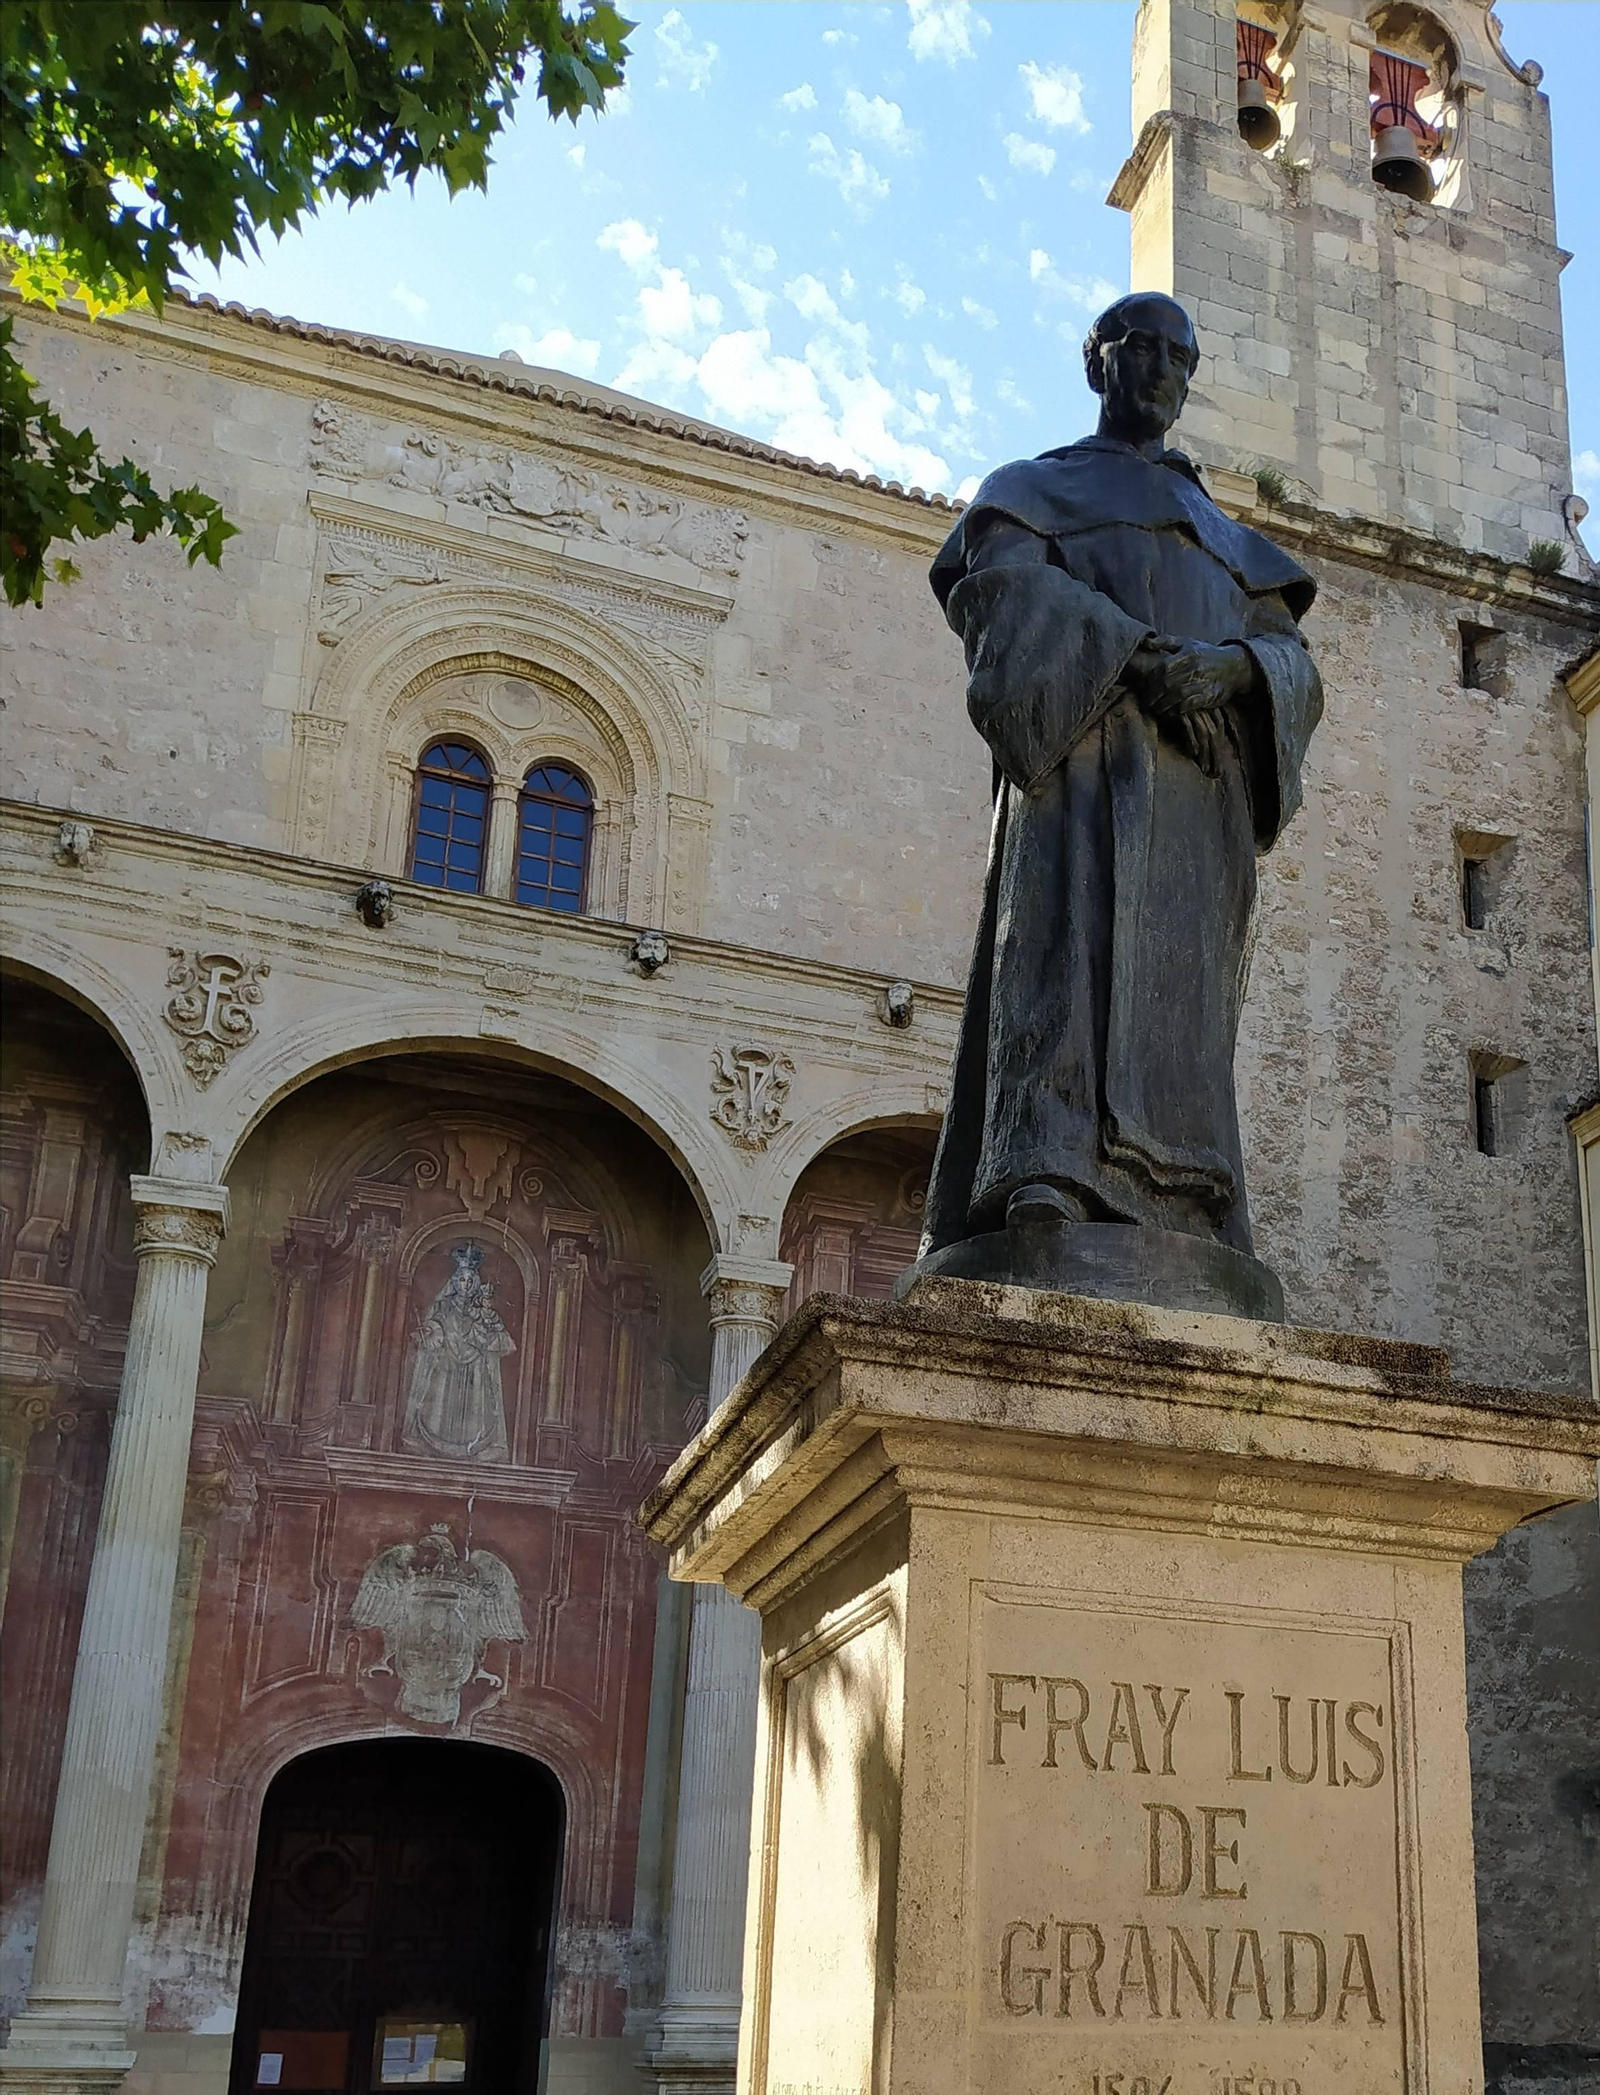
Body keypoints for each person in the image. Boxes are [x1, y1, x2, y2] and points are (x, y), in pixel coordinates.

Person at [914, 292, 1323, 1312]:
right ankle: (1041, 1173)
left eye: (1181, 359)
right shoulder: (1027, 490)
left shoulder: (1227, 535)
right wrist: (1141, 659)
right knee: (1063, 956)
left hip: (1198, 793)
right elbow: (999, 599)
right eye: (1142, 351)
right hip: (1081, 767)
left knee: (1181, 1003)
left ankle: (1193, 1205)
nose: (1162, 374)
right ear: (1098, 364)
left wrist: (1232, 673)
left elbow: (1291, 657)